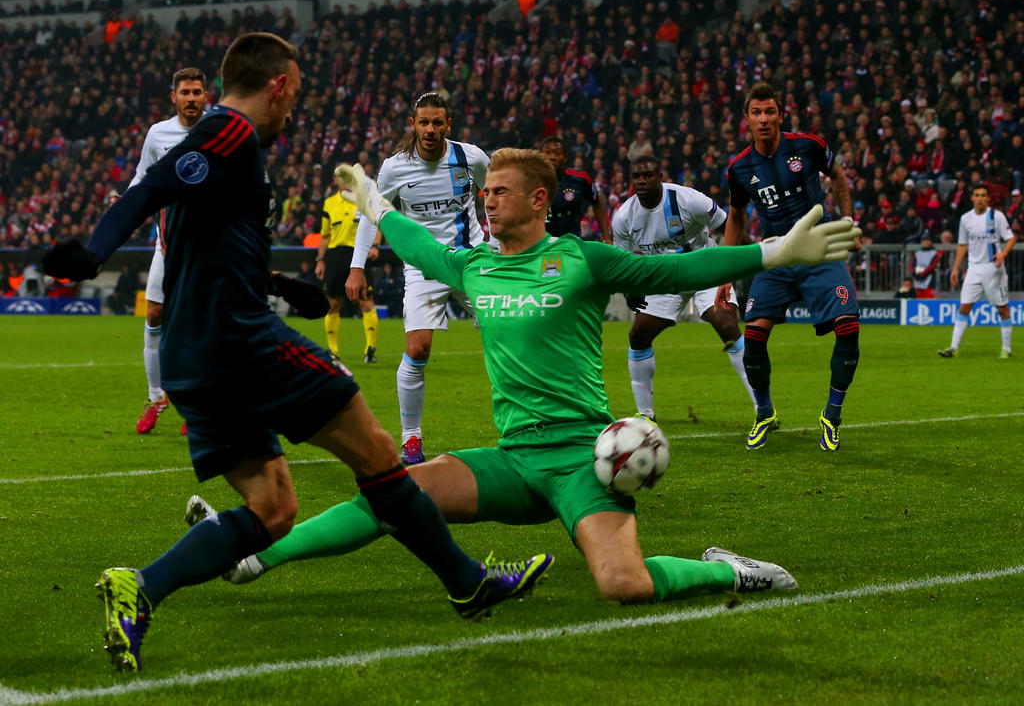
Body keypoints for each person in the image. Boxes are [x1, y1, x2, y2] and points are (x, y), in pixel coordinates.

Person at [42, 34, 552, 674]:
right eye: (296, 95)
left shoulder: (232, 153)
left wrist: (283, 287)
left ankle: (139, 588)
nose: (294, 112)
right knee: (380, 458)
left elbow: (209, 246)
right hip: (239, 342)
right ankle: (467, 581)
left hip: (192, 354)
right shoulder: (228, 133)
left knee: (274, 510)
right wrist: (92, 254)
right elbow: (149, 190)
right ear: (277, 84)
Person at [185, 148, 859, 610]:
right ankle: (254, 555)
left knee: (623, 585)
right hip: (511, 459)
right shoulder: (477, 266)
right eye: (485, 191)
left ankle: (729, 569)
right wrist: (372, 203)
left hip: (582, 460)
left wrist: (773, 251)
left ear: (538, 199)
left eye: (499, 191)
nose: (487, 199)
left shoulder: (583, 260)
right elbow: (421, 246)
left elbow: (674, 273)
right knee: (391, 493)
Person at [345, 92, 489, 465]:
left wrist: (499, 240)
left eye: (437, 122)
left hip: (470, 261)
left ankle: (531, 422)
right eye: (423, 122)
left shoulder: (471, 158)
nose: (430, 129)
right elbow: (370, 212)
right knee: (418, 348)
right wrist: (357, 266)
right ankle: (411, 439)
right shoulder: (395, 168)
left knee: (508, 335)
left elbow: (496, 193)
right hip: (423, 266)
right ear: (413, 124)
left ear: (447, 125)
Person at [723, 82, 860, 453]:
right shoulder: (738, 168)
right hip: (776, 255)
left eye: (770, 112)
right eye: (757, 112)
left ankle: (832, 416)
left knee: (848, 329)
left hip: (818, 251)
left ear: (780, 115)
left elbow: (840, 177)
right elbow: (735, 218)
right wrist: (724, 274)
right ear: (747, 119)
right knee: (752, 338)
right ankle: (764, 412)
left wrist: (848, 221)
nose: (764, 119)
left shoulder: (808, 146)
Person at [612, 156, 755, 421]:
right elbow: (621, 261)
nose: (642, 180)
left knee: (727, 326)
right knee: (638, 334)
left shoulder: (688, 199)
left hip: (705, 267)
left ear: (660, 176)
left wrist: (754, 254)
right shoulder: (623, 216)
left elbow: (728, 224)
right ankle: (645, 415)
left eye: (648, 174)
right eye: (636, 176)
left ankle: (763, 407)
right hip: (664, 276)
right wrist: (627, 288)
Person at [130, 67, 207, 435]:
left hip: (211, 244)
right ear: (173, 96)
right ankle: (156, 396)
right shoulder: (158, 134)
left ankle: (197, 404)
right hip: (169, 240)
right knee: (155, 311)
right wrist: (126, 205)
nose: (191, 98)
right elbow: (142, 177)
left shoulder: (220, 130)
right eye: (185, 92)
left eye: (197, 91)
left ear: (206, 95)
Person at [938, 184, 1017, 359]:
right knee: (964, 307)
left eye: (983, 195)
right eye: (977, 195)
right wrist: (955, 269)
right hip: (973, 268)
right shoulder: (966, 219)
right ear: (972, 197)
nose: (980, 198)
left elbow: (1011, 238)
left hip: (993, 268)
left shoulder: (997, 217)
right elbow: (962, 244)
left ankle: (1006, 349)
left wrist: (1003, 253)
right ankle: (953, 348)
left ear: (988, 198)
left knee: (1002, 309)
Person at [316, 165, 381, 364]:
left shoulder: (362, 199)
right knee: (333, 304)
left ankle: (370, 349)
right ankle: (333, 351)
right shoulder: (329, 203)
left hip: (358, 255)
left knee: (366, 302)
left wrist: (376, 245)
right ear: (336, 180)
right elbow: (325, 236)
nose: (342, 180)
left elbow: (376, 223)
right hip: (335, 256)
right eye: (339, 177)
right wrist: (320, 260)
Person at [540, 136, 611, 242]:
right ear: (540, 156)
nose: (552, 157)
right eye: (548, 152)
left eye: (557, 153)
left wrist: (606, 237)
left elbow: (596, 202)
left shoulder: (580, 178)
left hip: (572, 244)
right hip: (541, 245)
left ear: (565, 157)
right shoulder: (530, 181)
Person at [910, 233, 943, 298]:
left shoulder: (934, 253)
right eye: (923, 241)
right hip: (918, 278)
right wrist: (914, 273)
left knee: (929, 299)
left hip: (929, 279)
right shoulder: (917, 253)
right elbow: (912, 264)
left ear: (930, 242)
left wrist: (923, 274)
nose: (925, 242)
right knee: (919, 298)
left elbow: (932, 265)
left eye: (927, 240)